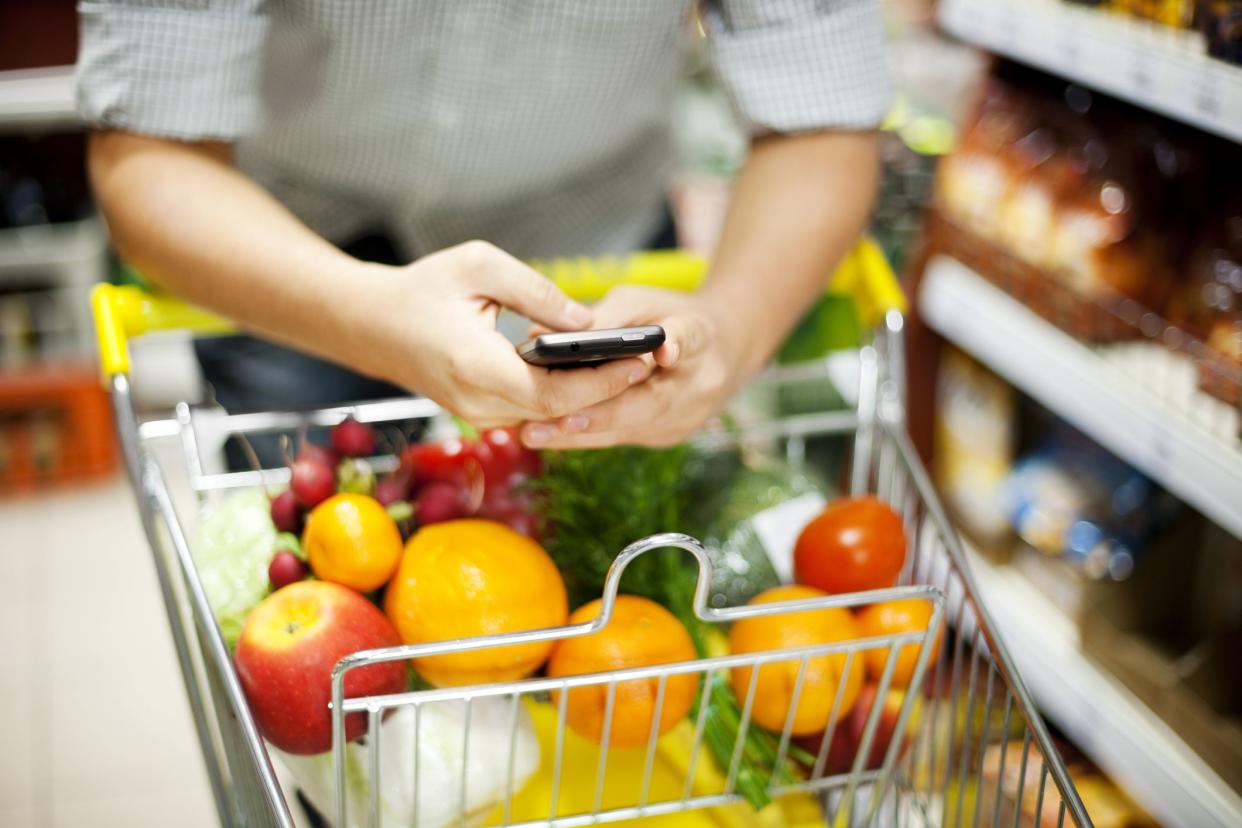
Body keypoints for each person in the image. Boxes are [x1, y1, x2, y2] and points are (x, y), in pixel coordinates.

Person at [78, 1, 889, 450]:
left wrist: (733, 327)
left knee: (598, 620)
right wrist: (367, 315)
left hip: (594, 243)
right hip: (285, 249)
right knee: (322, 634)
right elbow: (149, 150)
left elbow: (821, 122)